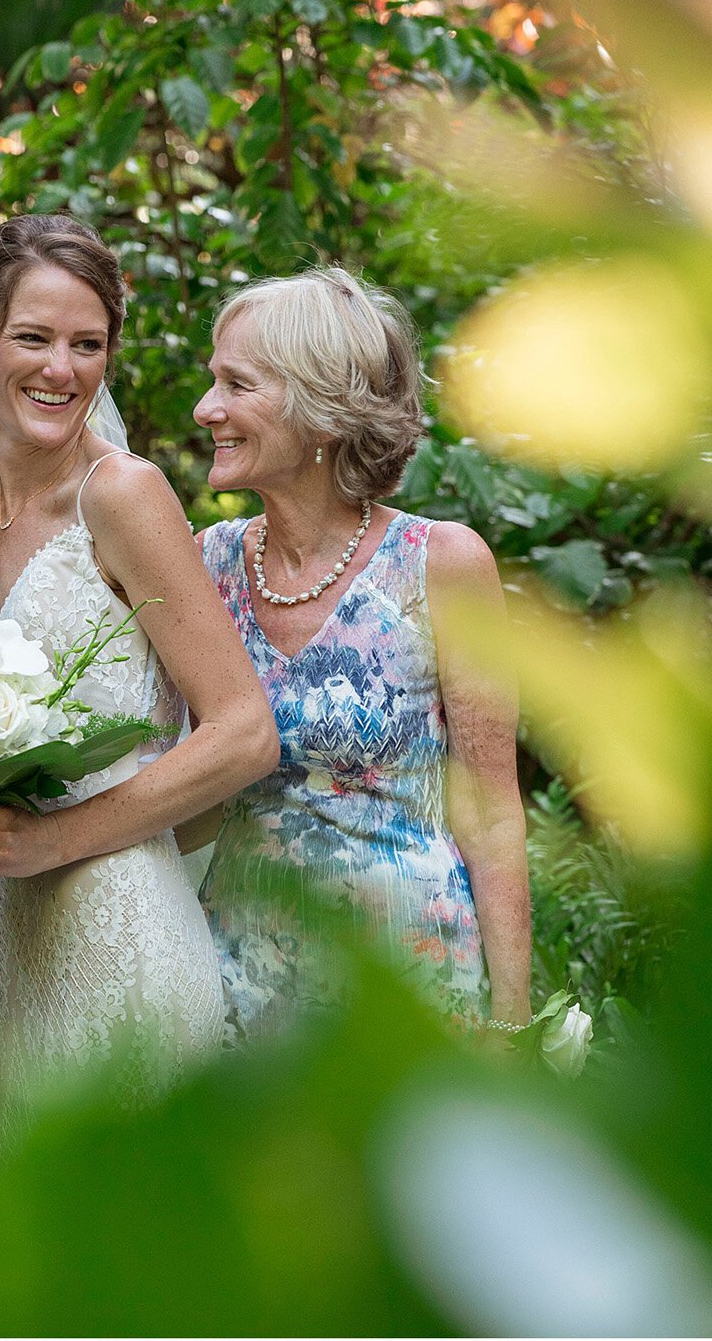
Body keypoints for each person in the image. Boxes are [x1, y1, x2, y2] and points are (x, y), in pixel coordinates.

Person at [0, 215, 277, 1147]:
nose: (62, 370)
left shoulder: (122, 496)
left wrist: (49, 842)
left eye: (89, 345)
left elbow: (244, 730)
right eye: (34, 338)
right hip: (14, 961)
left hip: (122, 938)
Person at [185, 267, 531, 1037]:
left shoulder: (440, 563)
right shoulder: (204, 564)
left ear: (322, 411)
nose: (206, 409)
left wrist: (513, 1027)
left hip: (408, 984)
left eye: (237, 385)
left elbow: (492, 812)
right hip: (242, 982)